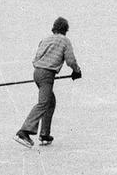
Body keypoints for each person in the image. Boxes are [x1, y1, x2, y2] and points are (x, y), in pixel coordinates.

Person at [14, 16, 81, 148]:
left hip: (37, 72)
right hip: (46, 75)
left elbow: (37, 56)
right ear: (66, 30)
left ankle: (45, 134)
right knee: (44, 103)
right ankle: (24, 132)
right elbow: (70, 60)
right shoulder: (65, 41)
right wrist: (76, 71)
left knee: (50, 102)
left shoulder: (45, 40)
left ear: (54, 28)